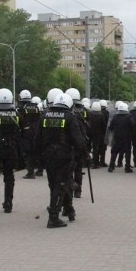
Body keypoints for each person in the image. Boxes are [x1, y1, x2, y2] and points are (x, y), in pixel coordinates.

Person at [34, 92, 86, 228]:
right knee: (62, 184)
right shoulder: (70, 117)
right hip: (64, 156)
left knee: (55, 184)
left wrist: (37, 157)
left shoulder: (44, 115)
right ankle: (54, 218)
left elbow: (37, 139)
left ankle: (68, 209)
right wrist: (84, 155)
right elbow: (78, 140)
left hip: (48, 156)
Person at [108, 102, 134, 173]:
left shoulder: (115, 117)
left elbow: (111, 127)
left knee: (114, 152)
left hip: (117, 137)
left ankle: (111, 166)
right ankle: (127, 168)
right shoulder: (129, 117)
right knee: (127, 153)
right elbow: (133, 126)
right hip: (127, 138)